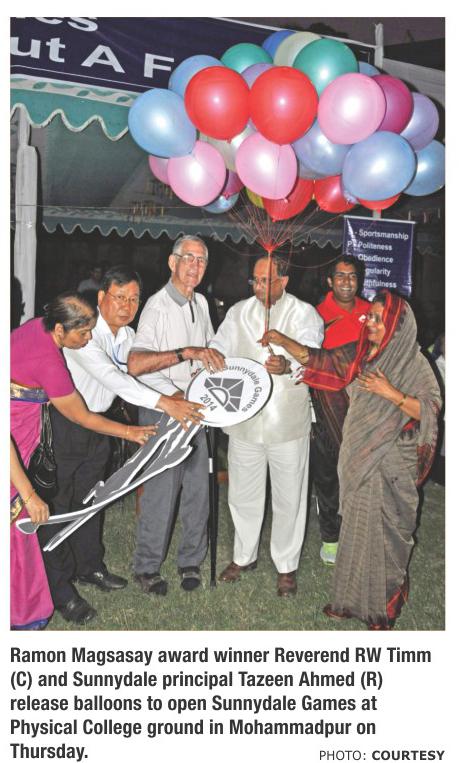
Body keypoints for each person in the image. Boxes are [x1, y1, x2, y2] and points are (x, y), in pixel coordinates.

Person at [261, 291, 441, 628]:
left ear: (397, 325)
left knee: (386, 535)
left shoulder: (414, 362)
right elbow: (320, 360)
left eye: (378, 319)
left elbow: (430, 410)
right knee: (357, 531)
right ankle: (348, 600)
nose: (369, 322)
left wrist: (391, 393)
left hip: (393, 461)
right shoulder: (359, 352)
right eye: (369, 315)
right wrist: (283, 341)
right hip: (359, 456)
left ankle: (383, 607)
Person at [40, 267, 201, 625]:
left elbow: (141, 373)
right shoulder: (84, 334)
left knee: (92, 500)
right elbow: (114, 378)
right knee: (57, 507)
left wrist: (176, 394)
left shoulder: (127, 336)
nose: (127, 306)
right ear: (101, 298)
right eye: (119, 297)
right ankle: (60, 589)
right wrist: (166, 403)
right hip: (64, 425)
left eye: (133, 299)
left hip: (100, 427)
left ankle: (89, 567)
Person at [10, 293, 156, 629]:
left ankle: (74, 575)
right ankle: (41, 599)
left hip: (26, 429)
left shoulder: (38, 326)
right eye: (83, 333)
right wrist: (129, 432)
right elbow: (83, 416)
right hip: (16, 437)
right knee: (27, 518)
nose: (89, 338)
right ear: (60, 329)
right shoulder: (50, 361)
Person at [210, 255, 324, 597]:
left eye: (266, 280)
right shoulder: (238, 312)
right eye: (255, 280)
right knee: (242, 492)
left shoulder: (304, 313)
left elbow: (313, 357)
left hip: (287, 421)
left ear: (284, 281)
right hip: (245, 418)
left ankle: (286, 565)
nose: (258, 287)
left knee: (290, 495)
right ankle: (243, 556)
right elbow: (219, 345)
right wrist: (212, 359)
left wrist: (286, 366)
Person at [127, 236, 224, 596]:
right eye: (189, 258)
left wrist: (213, 370)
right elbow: (138, 364)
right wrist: (176, 391)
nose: (195, 266)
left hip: (196, 409)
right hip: (165, 408)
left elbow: (208, 349)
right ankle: (147, 567)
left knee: (198, 488)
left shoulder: (201, 302)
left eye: (202, 260)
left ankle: (190, 561)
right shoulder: (157, 306)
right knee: (161, 490)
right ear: (172, 263)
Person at [310, 255, 369, 566]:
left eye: (353, 276)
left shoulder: (371, 313)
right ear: (330, 281)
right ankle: (331, 538)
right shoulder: (316, 316)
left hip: (365, 408)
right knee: (328, 475)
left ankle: (359, 532)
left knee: (361, 473)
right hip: (328, 409)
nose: (347, 282)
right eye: (341, 276)